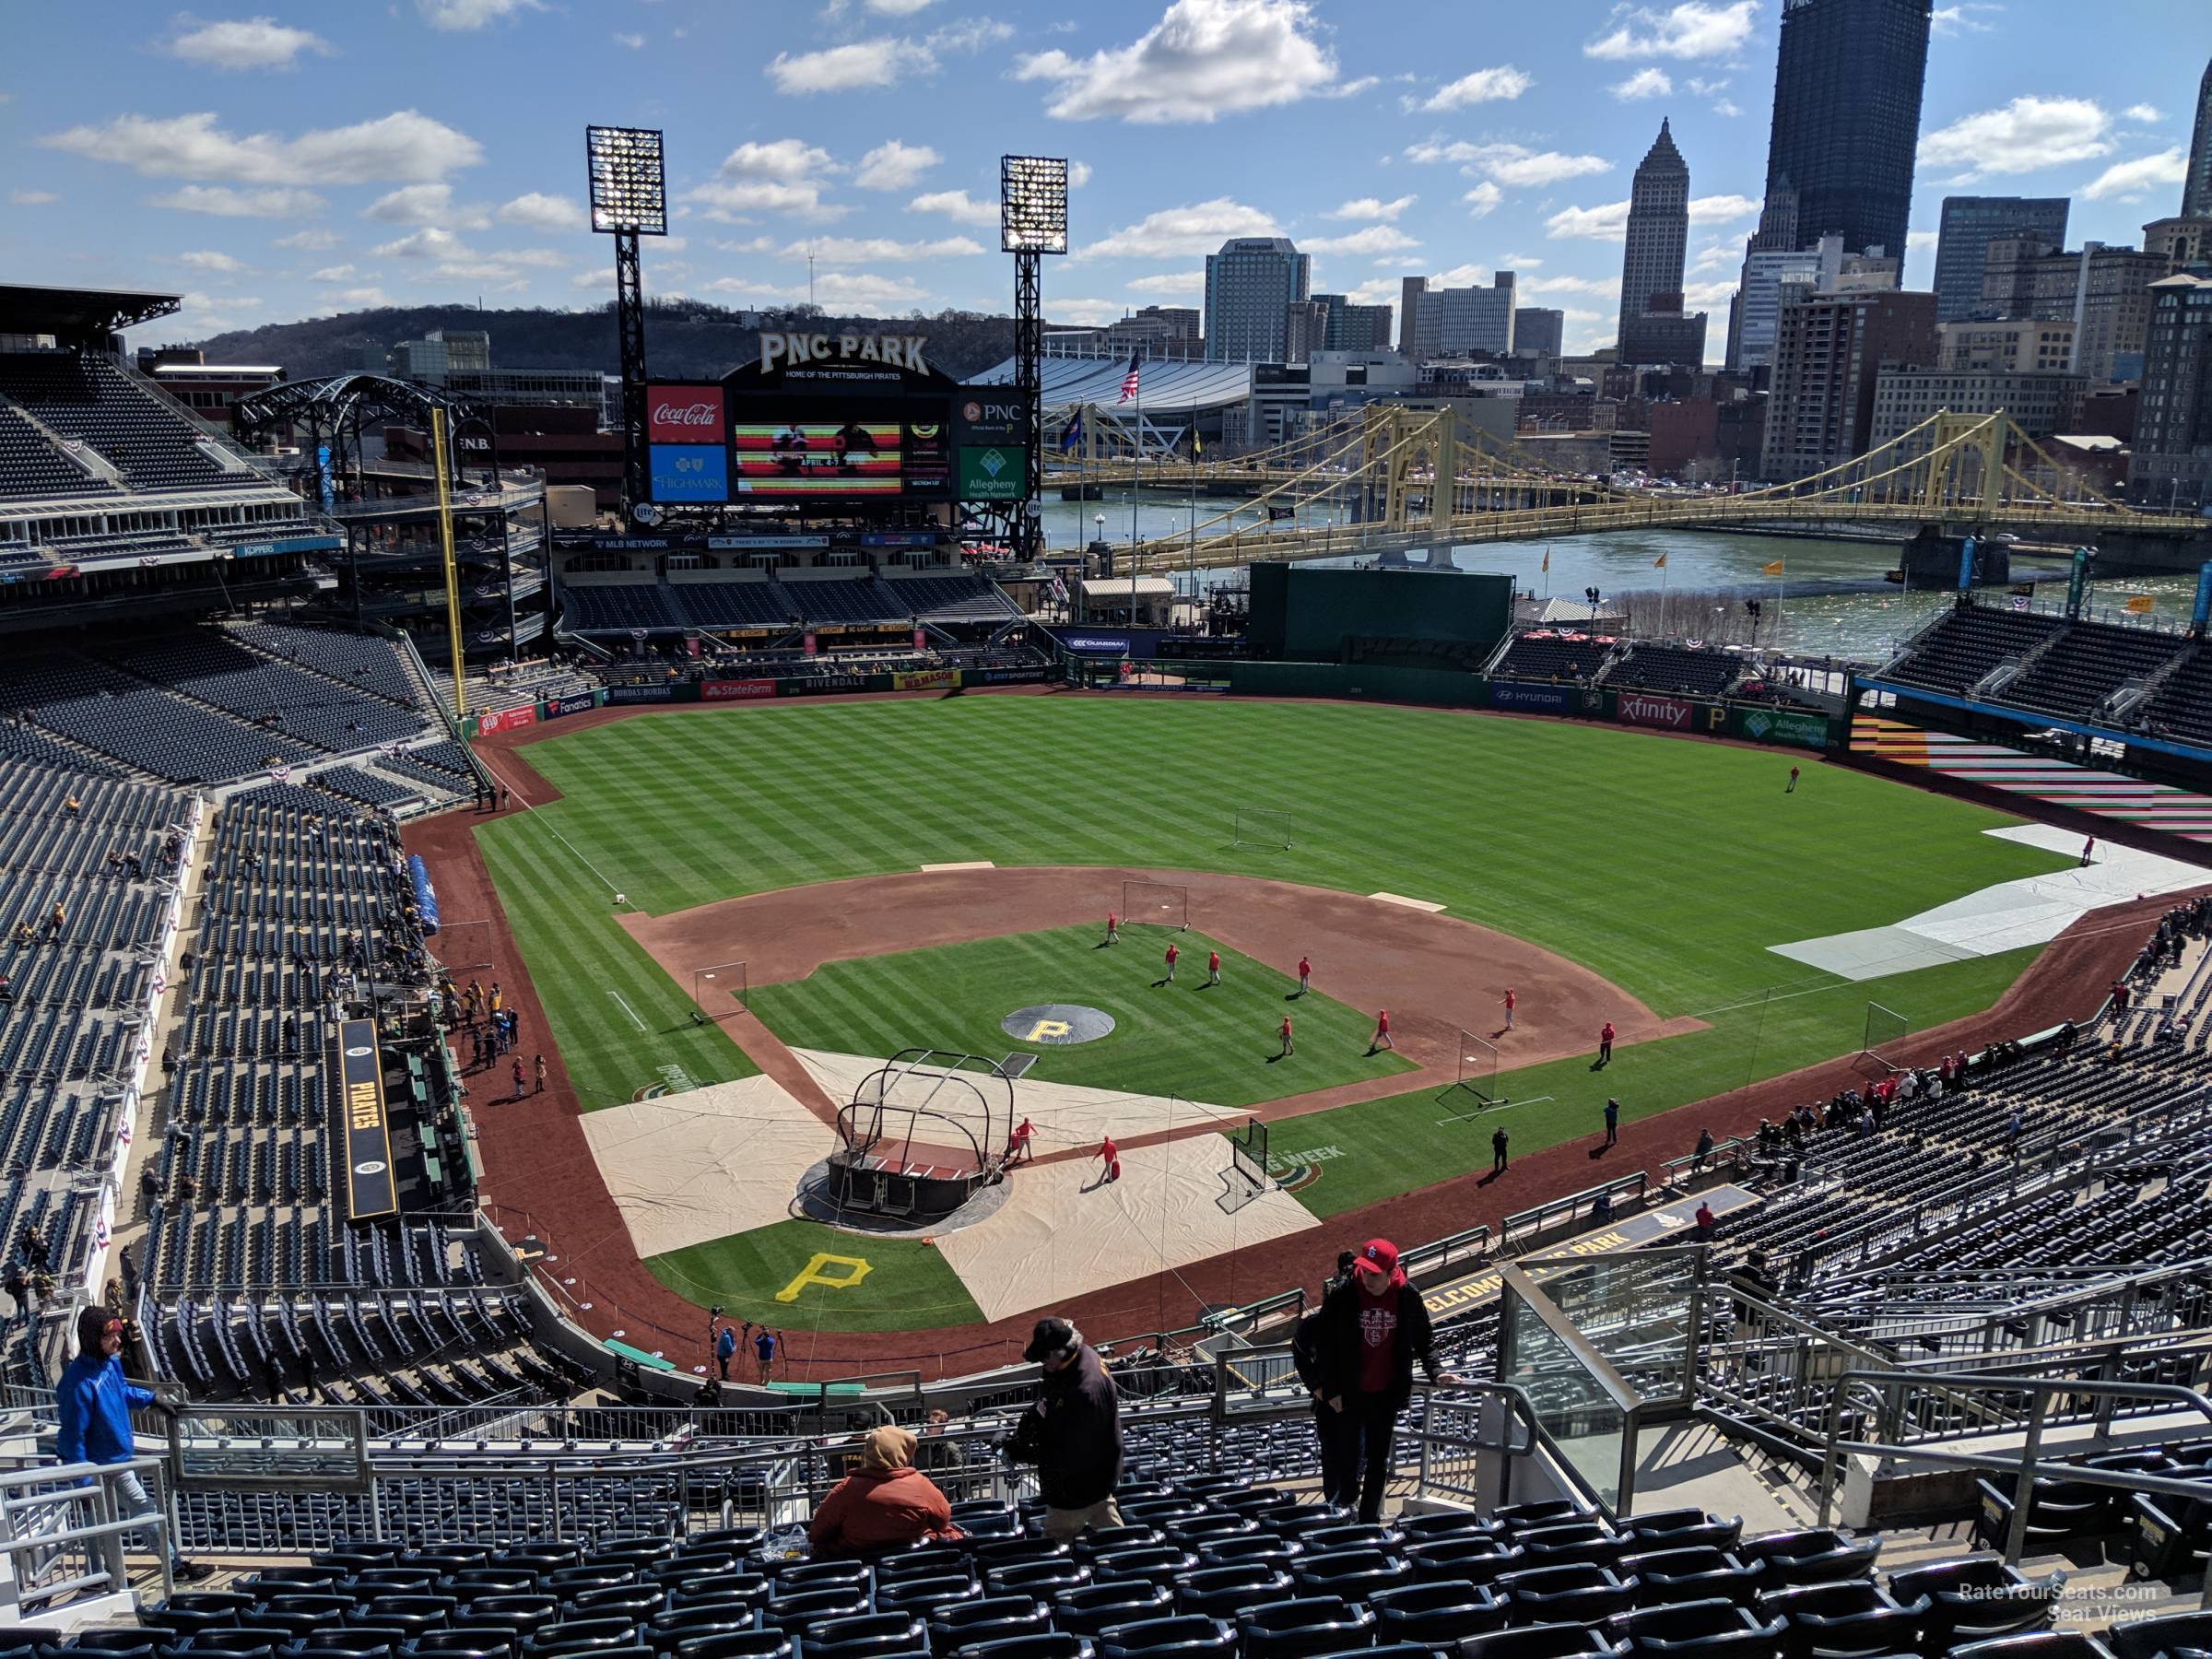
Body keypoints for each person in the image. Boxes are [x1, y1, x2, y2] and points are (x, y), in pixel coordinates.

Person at [1290, 1239, 1455, 1523]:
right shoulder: (1344, 1294)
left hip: (1385, 1394)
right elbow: (1325, 1345)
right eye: (1364, 1271)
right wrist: (1326, 1388)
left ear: (1392, 1271)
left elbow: (1424, 1339)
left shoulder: (1407, 1296)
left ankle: (1369, 1522)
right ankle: (1345, 1509)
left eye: (1374, 1274)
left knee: (1378, 1461)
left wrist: (1437, 1371)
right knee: (1347, 1457)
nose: (1367, 1278)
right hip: (1349, 1392)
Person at [56, 1308, 211, 1583]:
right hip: (98, 1466)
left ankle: (111, 1575)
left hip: (116, 1459)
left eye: (118, 1334)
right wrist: (82, 1481)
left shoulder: (109, 1364)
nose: (118, 1341)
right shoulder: (76, 1383)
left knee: (125, 1516)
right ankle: (105, 1577)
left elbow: (121, 1391)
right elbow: (72, 1437)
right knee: (114, 1519)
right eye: (110, 1336)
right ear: (93, 1338)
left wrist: (151, 1399)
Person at [1006, 1317, 1123, 1541]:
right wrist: (1038, 1414)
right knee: (1108, 1524)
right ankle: (1127, 1555)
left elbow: (1068, 1452)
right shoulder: (1081, 1357)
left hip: (1076, 1487)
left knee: (1054, 1546)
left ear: (1060, 1352)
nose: (1043, 1364)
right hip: (1097, 1478)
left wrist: (1019, 1451)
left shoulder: (1084, 1392)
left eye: (1044, 1358)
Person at [807, 1425, 958, 1558]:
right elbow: (942, 1520)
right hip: (913, 1564)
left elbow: (817, 1533)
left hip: (859, 1567)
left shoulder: (846, 1489)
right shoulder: (921, 1484)